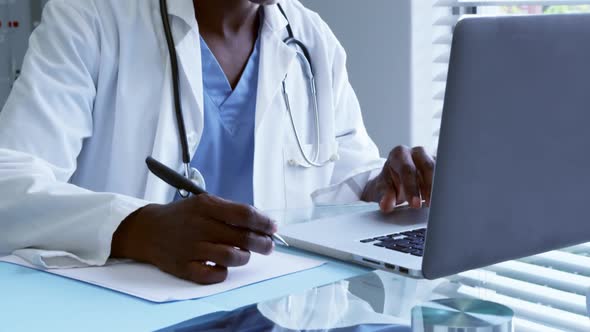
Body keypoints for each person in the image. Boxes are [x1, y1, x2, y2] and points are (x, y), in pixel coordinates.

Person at [0, 0, 435, 284]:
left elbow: (344, 173)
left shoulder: (311, 37)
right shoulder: (92, 16)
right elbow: (10, 183)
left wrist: (384, 185)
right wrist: (135, 228)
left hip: (273, 307)